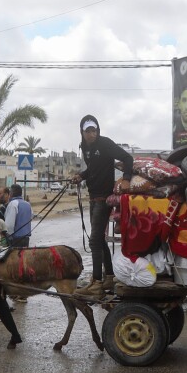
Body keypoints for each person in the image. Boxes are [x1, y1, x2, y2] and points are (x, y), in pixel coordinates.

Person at [71, 115, 135, 282]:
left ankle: (97, 282)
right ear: (82, 132)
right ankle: (109, 275)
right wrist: (81, 176)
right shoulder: (85, 147)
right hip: (93, 196)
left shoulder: (105, 143)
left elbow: (128, 158)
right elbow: (93, 168)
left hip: (104, 197)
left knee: (94, 241)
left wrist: (127, 178)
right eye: (88, 131)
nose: (91, 134)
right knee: (100, 239)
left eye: (94, 130)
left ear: (98, 130)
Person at [1, 183, 34, 249]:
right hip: (26, 238)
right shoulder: (27, 204)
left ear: (12, 193)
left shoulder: (13, 204)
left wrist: (6, 237)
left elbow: (9, 225)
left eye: (10, 192)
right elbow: (31, 217)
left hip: (15, 239)